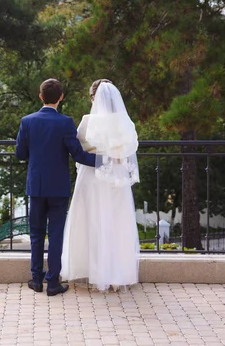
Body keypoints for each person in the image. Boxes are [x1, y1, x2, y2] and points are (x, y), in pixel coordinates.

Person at [15, 78, 96, 296]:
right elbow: (78, 155)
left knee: (36, 233)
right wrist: (104, 162)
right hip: (58, 187)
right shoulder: (65, 122)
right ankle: (53, 282)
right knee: (56, 234)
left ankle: (36, 279)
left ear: (40, 96)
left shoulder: (27, 121)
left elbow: (20, 154)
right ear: (61, 97)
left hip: (36, 186)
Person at [61, 79, 141, 292]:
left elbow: (77, 149)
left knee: (93, 222)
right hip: (117, 178)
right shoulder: (124, 122)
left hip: (93, 176)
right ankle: (117, 275)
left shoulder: (88, 121)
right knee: (117, 222)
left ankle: (95, 272)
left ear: (93, 98)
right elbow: (128, 152)